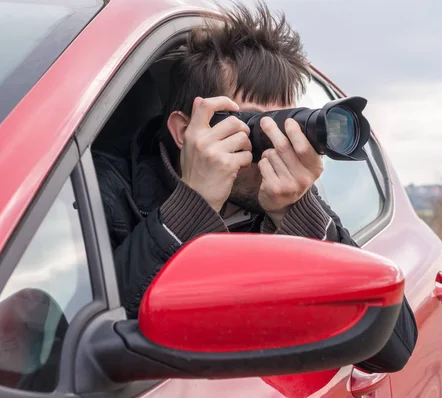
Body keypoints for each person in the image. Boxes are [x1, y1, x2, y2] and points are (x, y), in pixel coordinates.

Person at [93, 1, 417, 373]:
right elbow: (84, 349)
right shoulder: (99, 196)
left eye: (283, 123)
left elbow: (396, 352)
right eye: (250, 123)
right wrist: (191, 206)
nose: (275, 143)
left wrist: (297, 213)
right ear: (185, 132)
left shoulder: (288, 198)